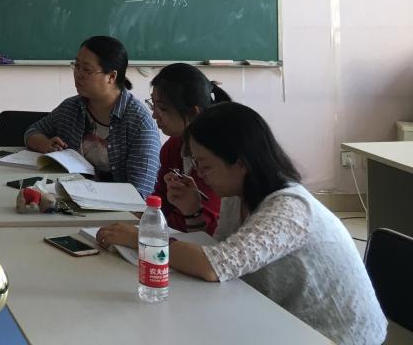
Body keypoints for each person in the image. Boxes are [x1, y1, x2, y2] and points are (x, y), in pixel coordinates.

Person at [96, 103, 387, 345]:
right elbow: (218, 251)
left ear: (241, 162)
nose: (200, 175)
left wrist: (141, 239)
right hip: (276, 318)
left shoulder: (290, 209)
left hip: (333, 335)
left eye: (205, 165)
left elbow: (213, 265)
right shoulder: (237, 195)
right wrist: (193, 213)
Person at [24, 35, 160, 197]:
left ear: (111, 77)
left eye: (87, 70)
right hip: (72, 200)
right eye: (77, 66)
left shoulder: (140, 123)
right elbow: (32, 132)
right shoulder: (72, 107)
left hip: (116, 208)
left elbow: (140, 193)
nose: (78, 74)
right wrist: (47, 145)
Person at [147, 62, 231, 234]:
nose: (154, 114)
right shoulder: (172, 147)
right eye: (153, 104)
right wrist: (145, 220)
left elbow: (205, 223)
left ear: (193, 113)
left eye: (162, 108)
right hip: (178, 237)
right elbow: (160, 202)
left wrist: (145, 230)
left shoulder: (215, 155)